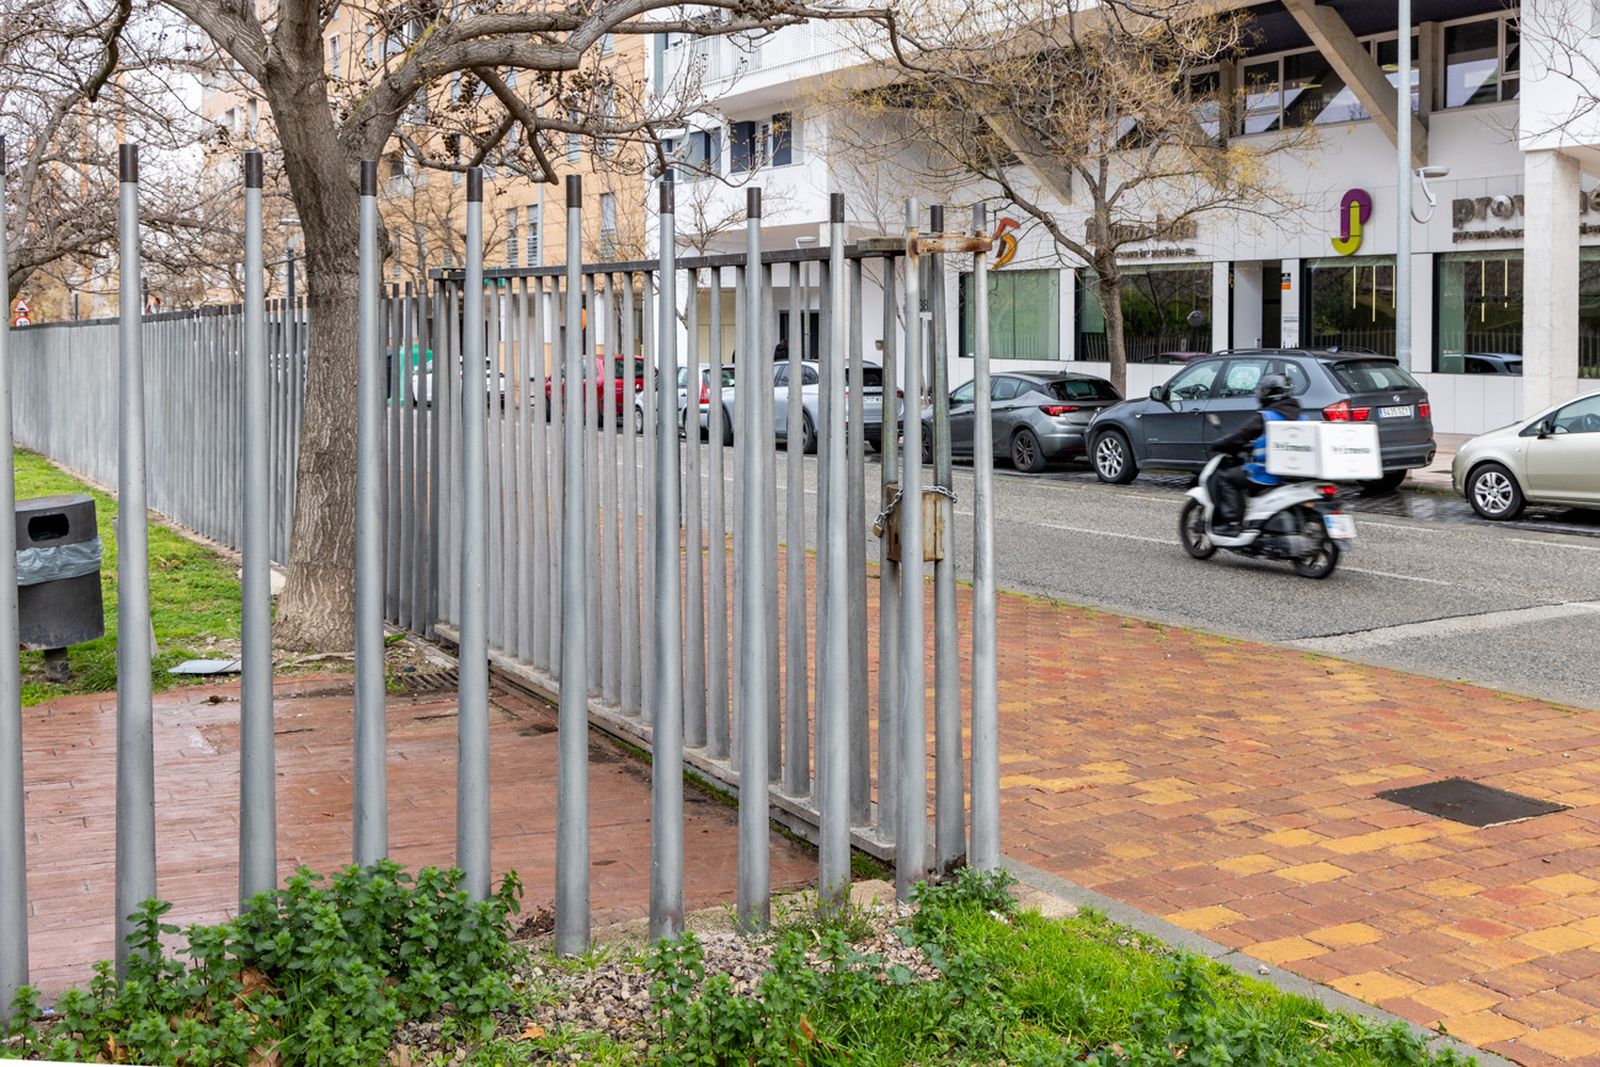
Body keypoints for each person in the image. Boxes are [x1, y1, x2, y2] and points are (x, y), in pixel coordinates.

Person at [1208, 373, 1301, 534]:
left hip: (1265, 473)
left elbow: (1240, 436)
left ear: (1268, 394)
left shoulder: (1266, 417)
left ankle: (1233, 523)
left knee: (1227, 478)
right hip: (1292, 474)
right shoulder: (1301, 418)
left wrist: (1219, 444)